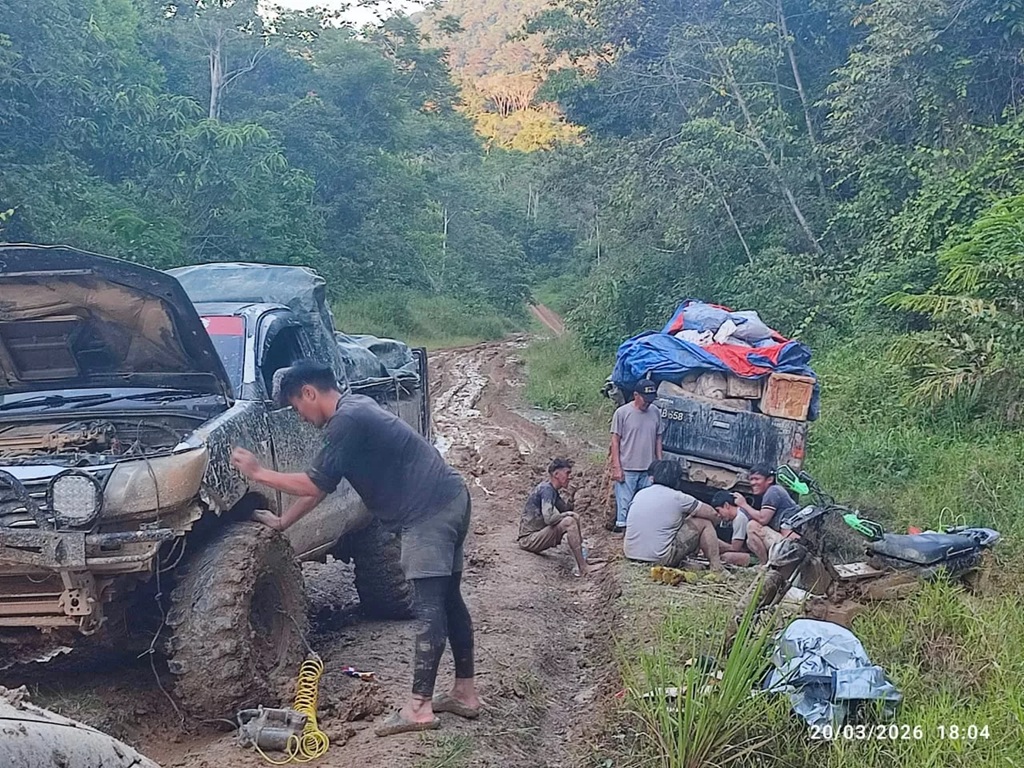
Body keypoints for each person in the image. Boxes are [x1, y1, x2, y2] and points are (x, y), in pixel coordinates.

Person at [228, 361, 480, 737]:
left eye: (297, 407)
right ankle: (465, 694)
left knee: (430, 606)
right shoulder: (356, 409)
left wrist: (258, 473)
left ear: (309, 393)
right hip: (450, 497)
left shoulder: (345, 422)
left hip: (427, 513)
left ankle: (419, 709)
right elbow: (321, 487)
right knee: (449, 600)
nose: (301, 418)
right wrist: (282, 522)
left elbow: (311, 483)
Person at [623, 460, 725, 570]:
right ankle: (716, 567)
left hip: (631, 553)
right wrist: (716, 523)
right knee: (704, 522)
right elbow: (711, 513)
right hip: (659, 558)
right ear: (677, 480)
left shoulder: (641, 493)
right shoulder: (678, 497)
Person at [518, 458, 589, 576]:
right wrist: (566, 514)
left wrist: (572, 497)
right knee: (569, 521)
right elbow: (549, 519)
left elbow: (565, 509)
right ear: (556, 474)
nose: (569, 477)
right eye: (567, 473)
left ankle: (582, 558)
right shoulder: (547, 490)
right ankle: (583, 568)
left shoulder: (552, 490)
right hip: (529, 539)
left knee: (573, 518)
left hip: (535, 536)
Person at [610, 378, 663, 533]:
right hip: (628, 468)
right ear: (635, 395)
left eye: (650, 400)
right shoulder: (622, 413)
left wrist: (659, 464)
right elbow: (615, 441)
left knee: (646, 505)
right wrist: (617, 467)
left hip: (648, 469)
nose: (648, 403)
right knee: (624, 506)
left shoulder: (655, 412)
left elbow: (658, 439)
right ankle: (623, 534)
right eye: (645, 400)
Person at [730, 464, 800, 563]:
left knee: (753, 526)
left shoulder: (773, 491)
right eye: (751, 479)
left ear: (770, 479)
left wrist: (743, 504)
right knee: (750, 541)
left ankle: (765, 565)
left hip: (792, 545)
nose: (753, 483)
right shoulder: (772, 491)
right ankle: (767, 564)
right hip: (787, 541)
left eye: (757, 479)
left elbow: (763, 519)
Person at [711, 491, 757, 567]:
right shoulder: (734, 517)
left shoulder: (740, 518)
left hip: (755, 555)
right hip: (747, 550)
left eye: (718, 510)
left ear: (726, 505)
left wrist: (716, 542)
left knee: (727, 557)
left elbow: (735, 548)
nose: (718, 515)